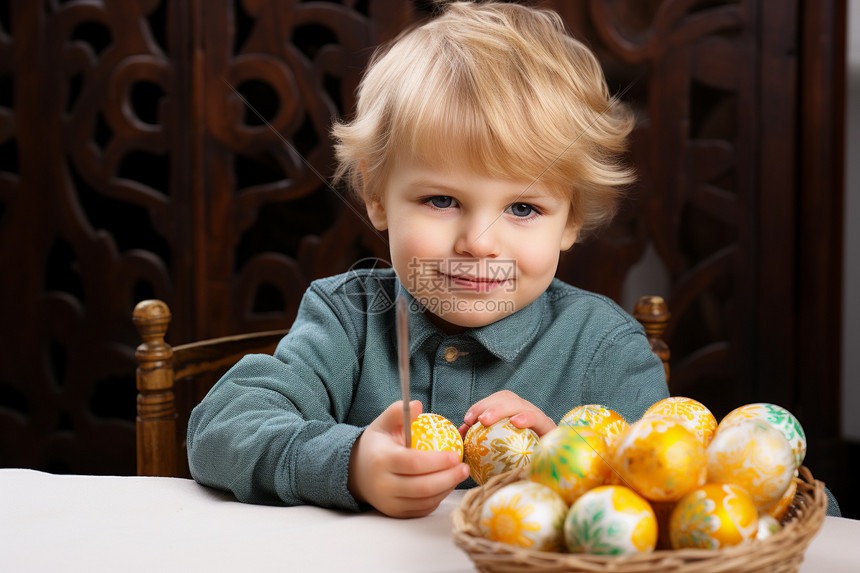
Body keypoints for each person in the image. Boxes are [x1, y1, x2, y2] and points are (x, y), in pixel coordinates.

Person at [187, 0, 670, 518]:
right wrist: (351, 464)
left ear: (569, 220)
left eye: (523, 208)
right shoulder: (347, 317)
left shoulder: (603, 345)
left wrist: (571, 464)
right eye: (442, 201)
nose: (479, 244)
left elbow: (665, 484)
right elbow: (222, 429)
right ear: (376, 196)